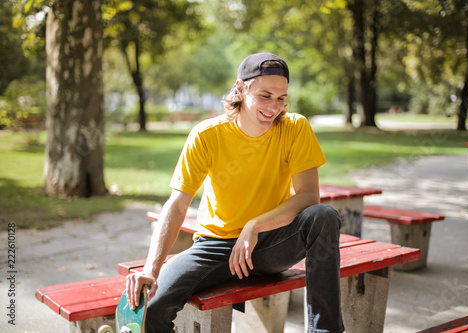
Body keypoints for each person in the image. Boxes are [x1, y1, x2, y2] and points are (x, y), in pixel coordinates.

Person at [126, 52, 345, 333]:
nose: (274, 107)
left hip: (271, 243)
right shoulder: (206, 135)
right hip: (216, 246)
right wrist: (150, 270)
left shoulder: (295, 127)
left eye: (281, 98)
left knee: (323, 216)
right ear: (240, 89)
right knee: (153, 309)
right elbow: (177, 205)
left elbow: (308, 197)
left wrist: (255, 225)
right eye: (265, 96)